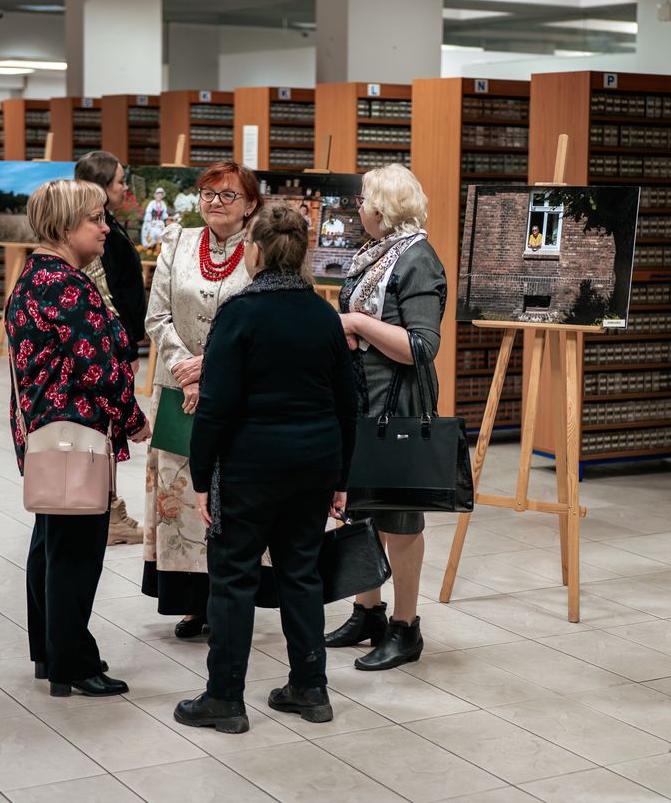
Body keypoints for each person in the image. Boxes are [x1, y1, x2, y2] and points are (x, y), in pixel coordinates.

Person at [173, 204, 357, 734]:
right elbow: (347, 403)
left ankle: (225, 699)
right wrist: (342, 475)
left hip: (251, 465)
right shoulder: (323, 314)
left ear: (254, 250)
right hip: (316, 462)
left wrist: (203, 477)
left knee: (232, 579)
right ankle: (310, 689)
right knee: (302, 573)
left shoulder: (239, 313)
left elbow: (216, 406)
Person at [6, 178, 150, 697]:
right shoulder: (63, 284)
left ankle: (51, 650)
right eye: (95, 218)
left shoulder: (37, 274)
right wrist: (132, 416)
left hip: (49, 433)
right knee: (74, 552)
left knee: (51, 542)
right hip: (74, 436)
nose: (105, 227)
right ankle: (71, 662)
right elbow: (99, 366)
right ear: (66, 225)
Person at [323, 163, 447, 671]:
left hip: (397, 405)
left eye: (364, 201)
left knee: (398, 519)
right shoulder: (372, 255)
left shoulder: (417, 258)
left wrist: (355, 322)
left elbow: (421, 346)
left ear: (384, 208)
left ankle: (406, 625)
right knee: (359, 511)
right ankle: (367, 611)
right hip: (361, 402)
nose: (358, 209)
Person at [143, 161, 260, 639]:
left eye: (228, 195)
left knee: (231, 495)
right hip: (178, 390)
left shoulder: (261, 249)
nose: (215, 202)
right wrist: (185, 371)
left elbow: (263, 319)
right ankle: (193, 602)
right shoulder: (178, 240)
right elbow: (157, 315)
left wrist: (209, 367)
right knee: (181, 495)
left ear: (250, 204)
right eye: (208, 193)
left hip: (240, 393)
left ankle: (232, 599)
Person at [75, 151, 148, 546]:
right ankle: (106, 510)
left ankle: (107, 506)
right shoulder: (97, 237)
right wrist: (126, 348)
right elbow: (108, 296)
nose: (124, 187)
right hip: (111, 346)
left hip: (120, 341)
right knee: (106, 428)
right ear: (102, 186)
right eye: (119, 181)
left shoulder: (105, 227)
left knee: (108, 431)